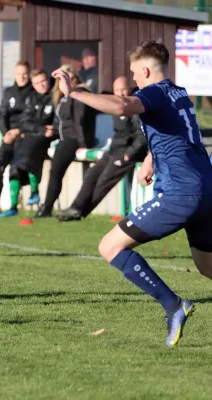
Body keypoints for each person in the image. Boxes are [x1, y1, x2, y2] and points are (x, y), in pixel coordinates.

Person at [52, 39, 212, 347]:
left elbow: (123, 106)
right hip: (206, 190)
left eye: (135, 74)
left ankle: (174, 305)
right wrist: (151, 159)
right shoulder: (177, 93)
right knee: (207, 267)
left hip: (181, 194)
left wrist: (76, 92)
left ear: (147, 70)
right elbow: (179, 134)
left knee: (110, 246)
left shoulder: (150, 92)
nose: (135, 80)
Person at [56, 76, 147, 221]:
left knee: (105, 179)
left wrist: (129, 154)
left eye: (123, 89)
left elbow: (142, 136)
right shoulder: (116, 105)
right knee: (92, 173)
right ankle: (75, 207)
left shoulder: (133, 107)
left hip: (128, 152)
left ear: (129, 89)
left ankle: (81, 212)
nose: (121, 93)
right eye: (117, 90)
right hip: (114, 149)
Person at [34, 64, 97, 218]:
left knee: (55, 170)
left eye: (72, 78)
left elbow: (79, 122)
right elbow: (62, 121)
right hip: (65, 137)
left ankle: (46, 208)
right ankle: (44, 204)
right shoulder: (63, 96)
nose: (70, 82)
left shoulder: (80, 93)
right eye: (64, 79)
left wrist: (83, 145)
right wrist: (51, 131)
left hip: (74, 139)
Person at [0, 69, 55, 218]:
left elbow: (56, 123)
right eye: (37, 83)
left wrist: (41, 129)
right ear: (33, 85)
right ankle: (12, 206)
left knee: (28, 155)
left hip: (45, 139)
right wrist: (40, 128)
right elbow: (25, 121)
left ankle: (35, 192)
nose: (41, 85)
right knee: (15, 166)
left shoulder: (55, 97)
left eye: (43, 81)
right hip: (32, 135)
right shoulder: (32, 98)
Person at [0, 61, 33, 216]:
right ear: (15, 75)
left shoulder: (34, 92)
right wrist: (6, 134)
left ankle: (13, 206)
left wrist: (18, 131)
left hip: (25, 136)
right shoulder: (9, 91)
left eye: (25, 73)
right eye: (19, 73)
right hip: (9, 137)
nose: (22, 77)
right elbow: (2, 115)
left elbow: (32, 117)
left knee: (16, 168)